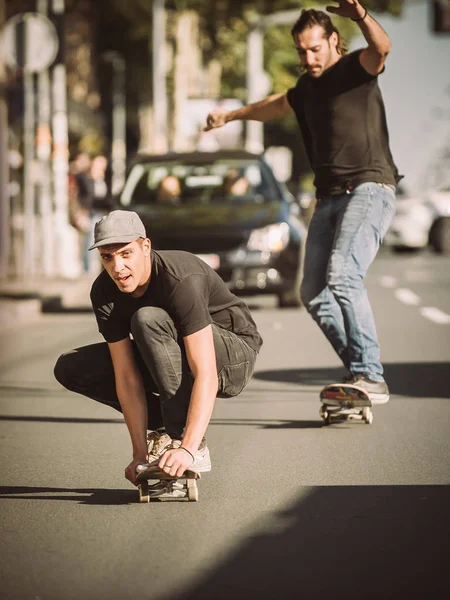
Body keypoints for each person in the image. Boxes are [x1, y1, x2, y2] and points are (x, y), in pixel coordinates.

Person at [204, 1, 401, 404]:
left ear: (333, 41)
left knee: (343, 276)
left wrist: (361, 15)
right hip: (328, 198)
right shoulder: (305, 89)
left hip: (368, 188)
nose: (309, 59)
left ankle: (370, 374)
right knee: (312, 293)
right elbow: (274, 105)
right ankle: (360, 371)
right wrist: (232, 116)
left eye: (315, 49)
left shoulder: (355, 71)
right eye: (302, 51)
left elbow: (382, 48)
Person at [54, 210, 262, 485]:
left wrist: (187, 446)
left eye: (126, 254)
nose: (117, 268)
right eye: (108, 257)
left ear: (145, 247)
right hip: (169, 350)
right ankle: (163, 427)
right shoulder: (104, 291)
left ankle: (186, 439)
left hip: (232, 355)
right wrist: (139, 453)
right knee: (71, 367)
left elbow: (207, 373)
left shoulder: (180, 279)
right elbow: (126, 377)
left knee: (147, 319)